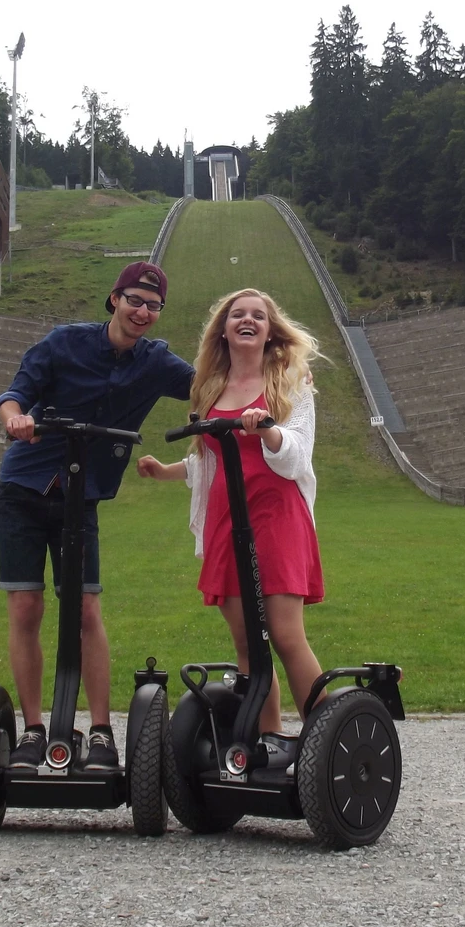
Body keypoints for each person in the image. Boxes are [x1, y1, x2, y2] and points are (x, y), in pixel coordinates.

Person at [0, 261, 194, 771]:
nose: (142, 311)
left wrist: (273, 375)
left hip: (80, 495)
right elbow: (16, 392)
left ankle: (102, 732)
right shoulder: (64, 343)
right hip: (26, 485)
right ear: (114, 299)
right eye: (134, 300)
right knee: (26, 607)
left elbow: (207, 385)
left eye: (153, 305)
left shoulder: (156, 362)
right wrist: (17, 419)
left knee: (84, 610)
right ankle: (34, 729)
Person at [137, 288, 326, 748]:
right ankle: (269, 743)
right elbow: (208, 461)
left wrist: (268, 430)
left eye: (258, 315)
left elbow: (299, 453)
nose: (248, 320)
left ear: (269, 330)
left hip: (276, 514)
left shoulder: (291, 381)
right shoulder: (210, 388)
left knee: (284, 635)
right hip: (227, 518)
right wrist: (168, 471)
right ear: (223, 329)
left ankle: (327, 742)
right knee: (247, 645)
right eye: (237, 314)